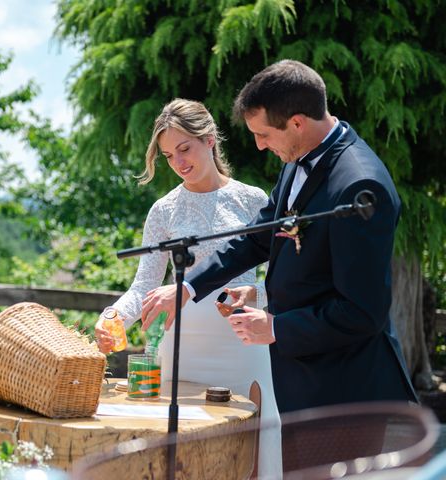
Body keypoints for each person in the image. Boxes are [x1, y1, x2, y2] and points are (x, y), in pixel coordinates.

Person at [141, 60, 418, 415]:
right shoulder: (296, 159)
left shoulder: (359, 185)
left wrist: (276, 327)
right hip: (302, 383)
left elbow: (363, 312)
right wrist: (189, 287)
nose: (258, 146)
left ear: (297, 123)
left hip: (347, 393)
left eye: (264, 134)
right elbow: (257, 237)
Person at [95, 98, 282, 479]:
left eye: (185, 149)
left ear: (210, 140)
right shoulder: (163, 210)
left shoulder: (254, 199)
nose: (178, 162)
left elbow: (278, 282)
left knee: (249, 459)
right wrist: (114, 314)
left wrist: (255, 298)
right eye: (168, 155)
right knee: (186, 460)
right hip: (181, 351)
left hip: (243, 346)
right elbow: (143, 286)